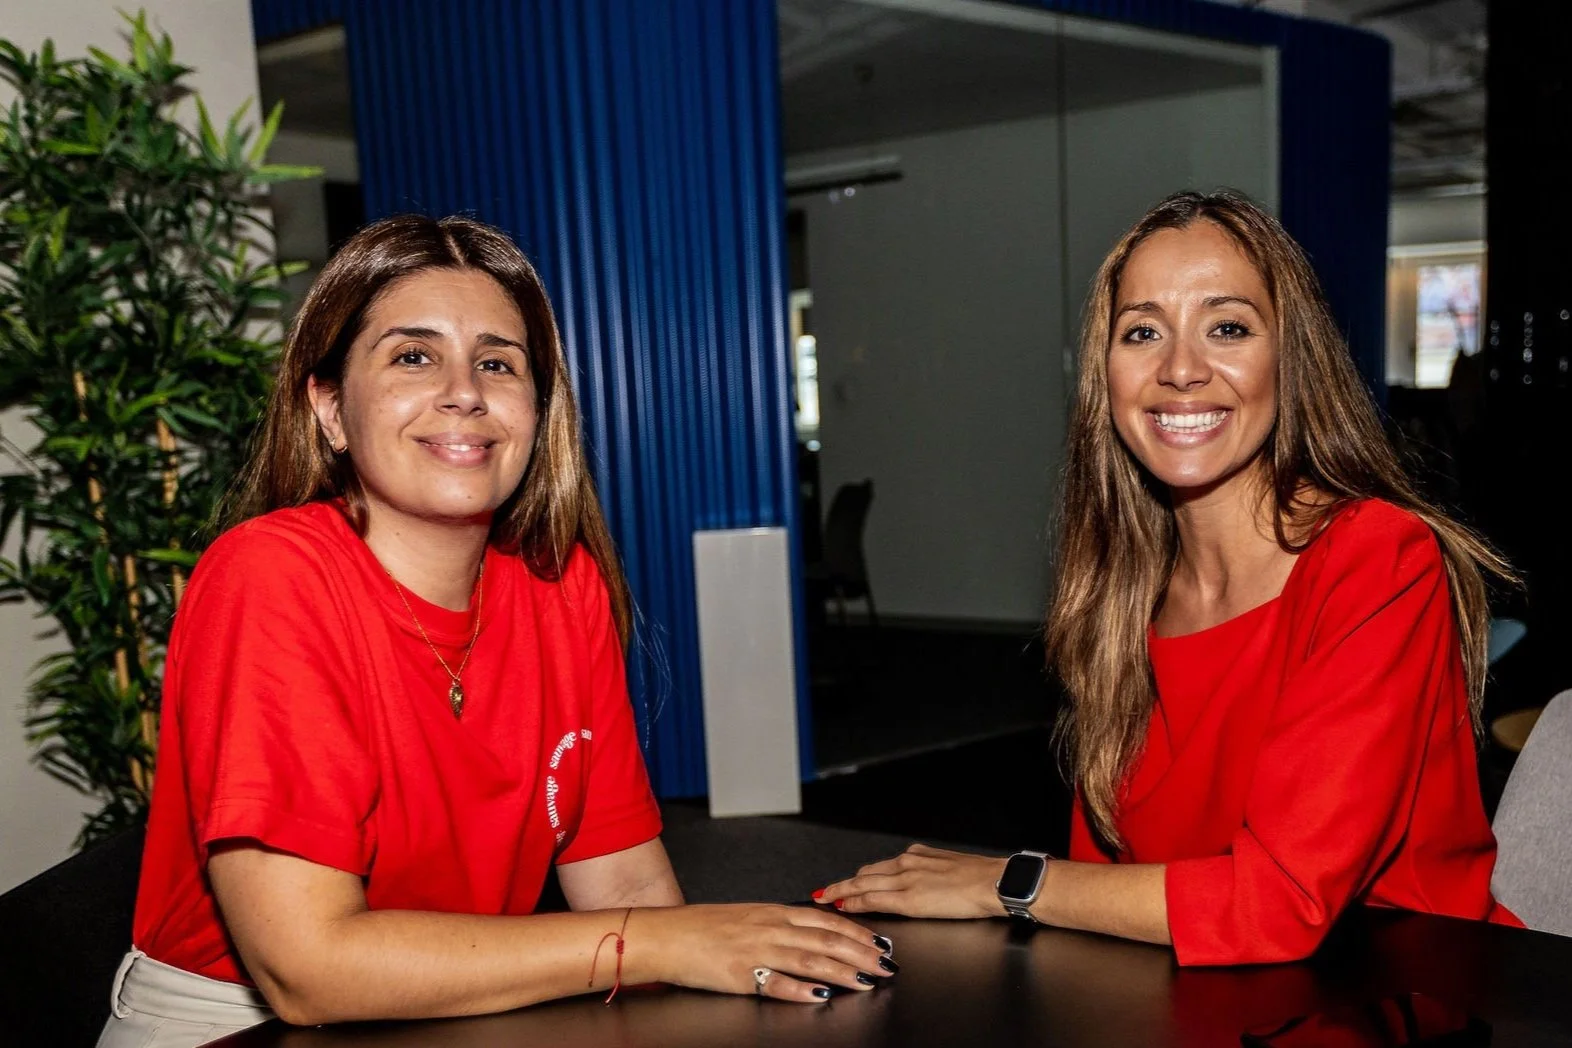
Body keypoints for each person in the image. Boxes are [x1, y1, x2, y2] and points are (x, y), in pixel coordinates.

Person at [100, 215, 895, 1048]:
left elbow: (623, 878)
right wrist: (665, 943)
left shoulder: (563, 581)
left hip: (469, 1006)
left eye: (497, 362)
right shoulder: (270, 576)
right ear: (329, 409)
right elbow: (308, 968)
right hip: (236, 1027)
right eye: (413, 356)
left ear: (535, 408)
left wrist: (725, 965)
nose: (464, 391)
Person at [813, 190, 1519, 965]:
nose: (1181, 369)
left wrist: (1006, 881)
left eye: (1227, 327)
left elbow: (1278, 903)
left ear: (1291, 358)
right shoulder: (1121, 597)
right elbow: (1102, 887)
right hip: (1210, 999)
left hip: (1411, 994)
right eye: (1142, 331)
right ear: (1105, 375)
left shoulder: (1380, 559)